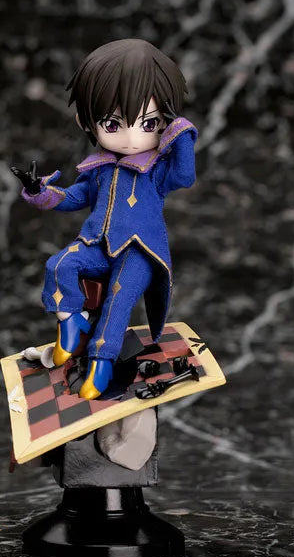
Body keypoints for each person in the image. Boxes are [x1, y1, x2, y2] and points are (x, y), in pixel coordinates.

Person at [12, 39, 197, 399]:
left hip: (138, 252)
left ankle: (102, 361)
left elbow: (185, 176)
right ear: (87, 122)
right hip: (96, 245)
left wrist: (182, 133)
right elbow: (74, 198)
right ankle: (72, 324)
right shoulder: (98, 169)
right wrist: (39, 192)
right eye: (113, 124)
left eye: (149, 123)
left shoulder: (156, 170)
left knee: (118, 299)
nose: (131, 137)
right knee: (59, 265)